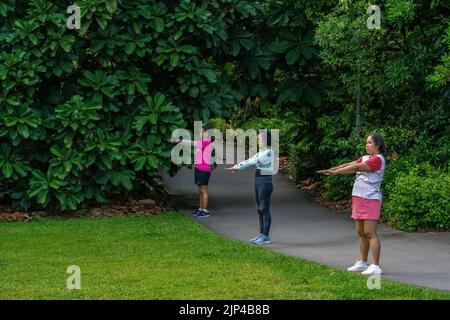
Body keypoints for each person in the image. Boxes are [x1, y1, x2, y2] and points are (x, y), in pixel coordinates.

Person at [317, 133, 386, 275]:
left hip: (371, 199)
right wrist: (333, 169)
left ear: (377, 145)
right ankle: (363, 262)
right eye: (366, 143)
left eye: (370, 143)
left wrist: (335, 173)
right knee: (361, 233)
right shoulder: (366, 157)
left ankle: (376, 266)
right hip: (359, 197)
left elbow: (355, 168)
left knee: (370, 233)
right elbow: (351, 164)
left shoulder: (378, 160)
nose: (367, 145)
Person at [225, 130, 275, 245]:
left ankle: (266, 236)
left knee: (264, 209)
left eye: (259, 139)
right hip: (258, 181)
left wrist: (239, 168)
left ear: (265, 140)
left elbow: (254, 161)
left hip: (265, 182)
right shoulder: (261, 152)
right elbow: (248, 160)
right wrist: (236, 166)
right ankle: (262, 234)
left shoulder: (269, 152)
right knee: (259, 209)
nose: (257, 140)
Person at [172, 126, 213, 218]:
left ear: (207, 133)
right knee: (200, 190)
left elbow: (191, 143)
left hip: (204, 169)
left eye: (202, 132)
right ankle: (200, 209)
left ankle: (205, 211)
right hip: (199, 168)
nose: (200, 133)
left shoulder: (206, 143)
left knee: (204, 190)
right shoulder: (202, 142)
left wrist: (179, 141)